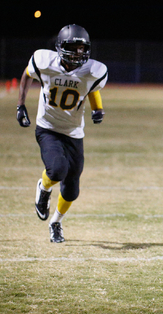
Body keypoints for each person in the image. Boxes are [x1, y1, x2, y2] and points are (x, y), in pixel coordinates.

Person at [16, 24, 108, 243]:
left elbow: (91, 88)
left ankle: (55, 222)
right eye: (73, 47)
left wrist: (97, 109)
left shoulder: (93, 71)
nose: (78, 53)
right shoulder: (44, 62)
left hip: (74, 133)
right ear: (61, 47)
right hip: (48, 128)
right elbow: (27, 74)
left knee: (72, 190)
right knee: (57, 170)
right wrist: (20, 105)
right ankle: (44, 186)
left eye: (81, 48)